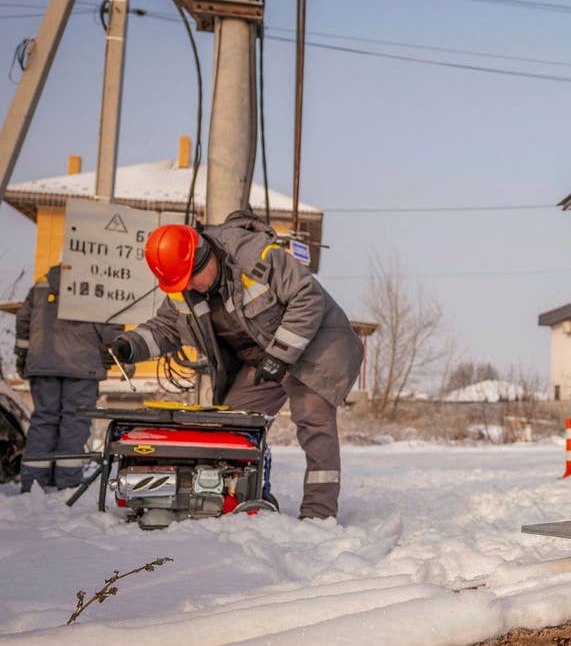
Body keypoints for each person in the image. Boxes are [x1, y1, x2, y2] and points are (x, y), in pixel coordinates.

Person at [103, 211, 363, 520]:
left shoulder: (256, 256)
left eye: (190, 280)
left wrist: (280, 355)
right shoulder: (186, 289)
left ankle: (319, 515)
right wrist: (129, 346)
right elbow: (166, 328)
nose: (190, 288)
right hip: (261, 358)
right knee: (232, 427)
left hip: (313, 346)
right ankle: (243, 497)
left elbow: (307, 298)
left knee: (314, 423)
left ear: (205, 258)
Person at [14, 264, 122, 492]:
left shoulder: (42, 284)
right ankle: (67, 481)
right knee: (74, 421)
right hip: (82, 365)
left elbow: (23, 321)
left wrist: (23, 359)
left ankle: (34, 480)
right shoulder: (98, 286)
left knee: (43, 418)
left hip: (43, 364)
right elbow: (110, 327)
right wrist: (121, 358)